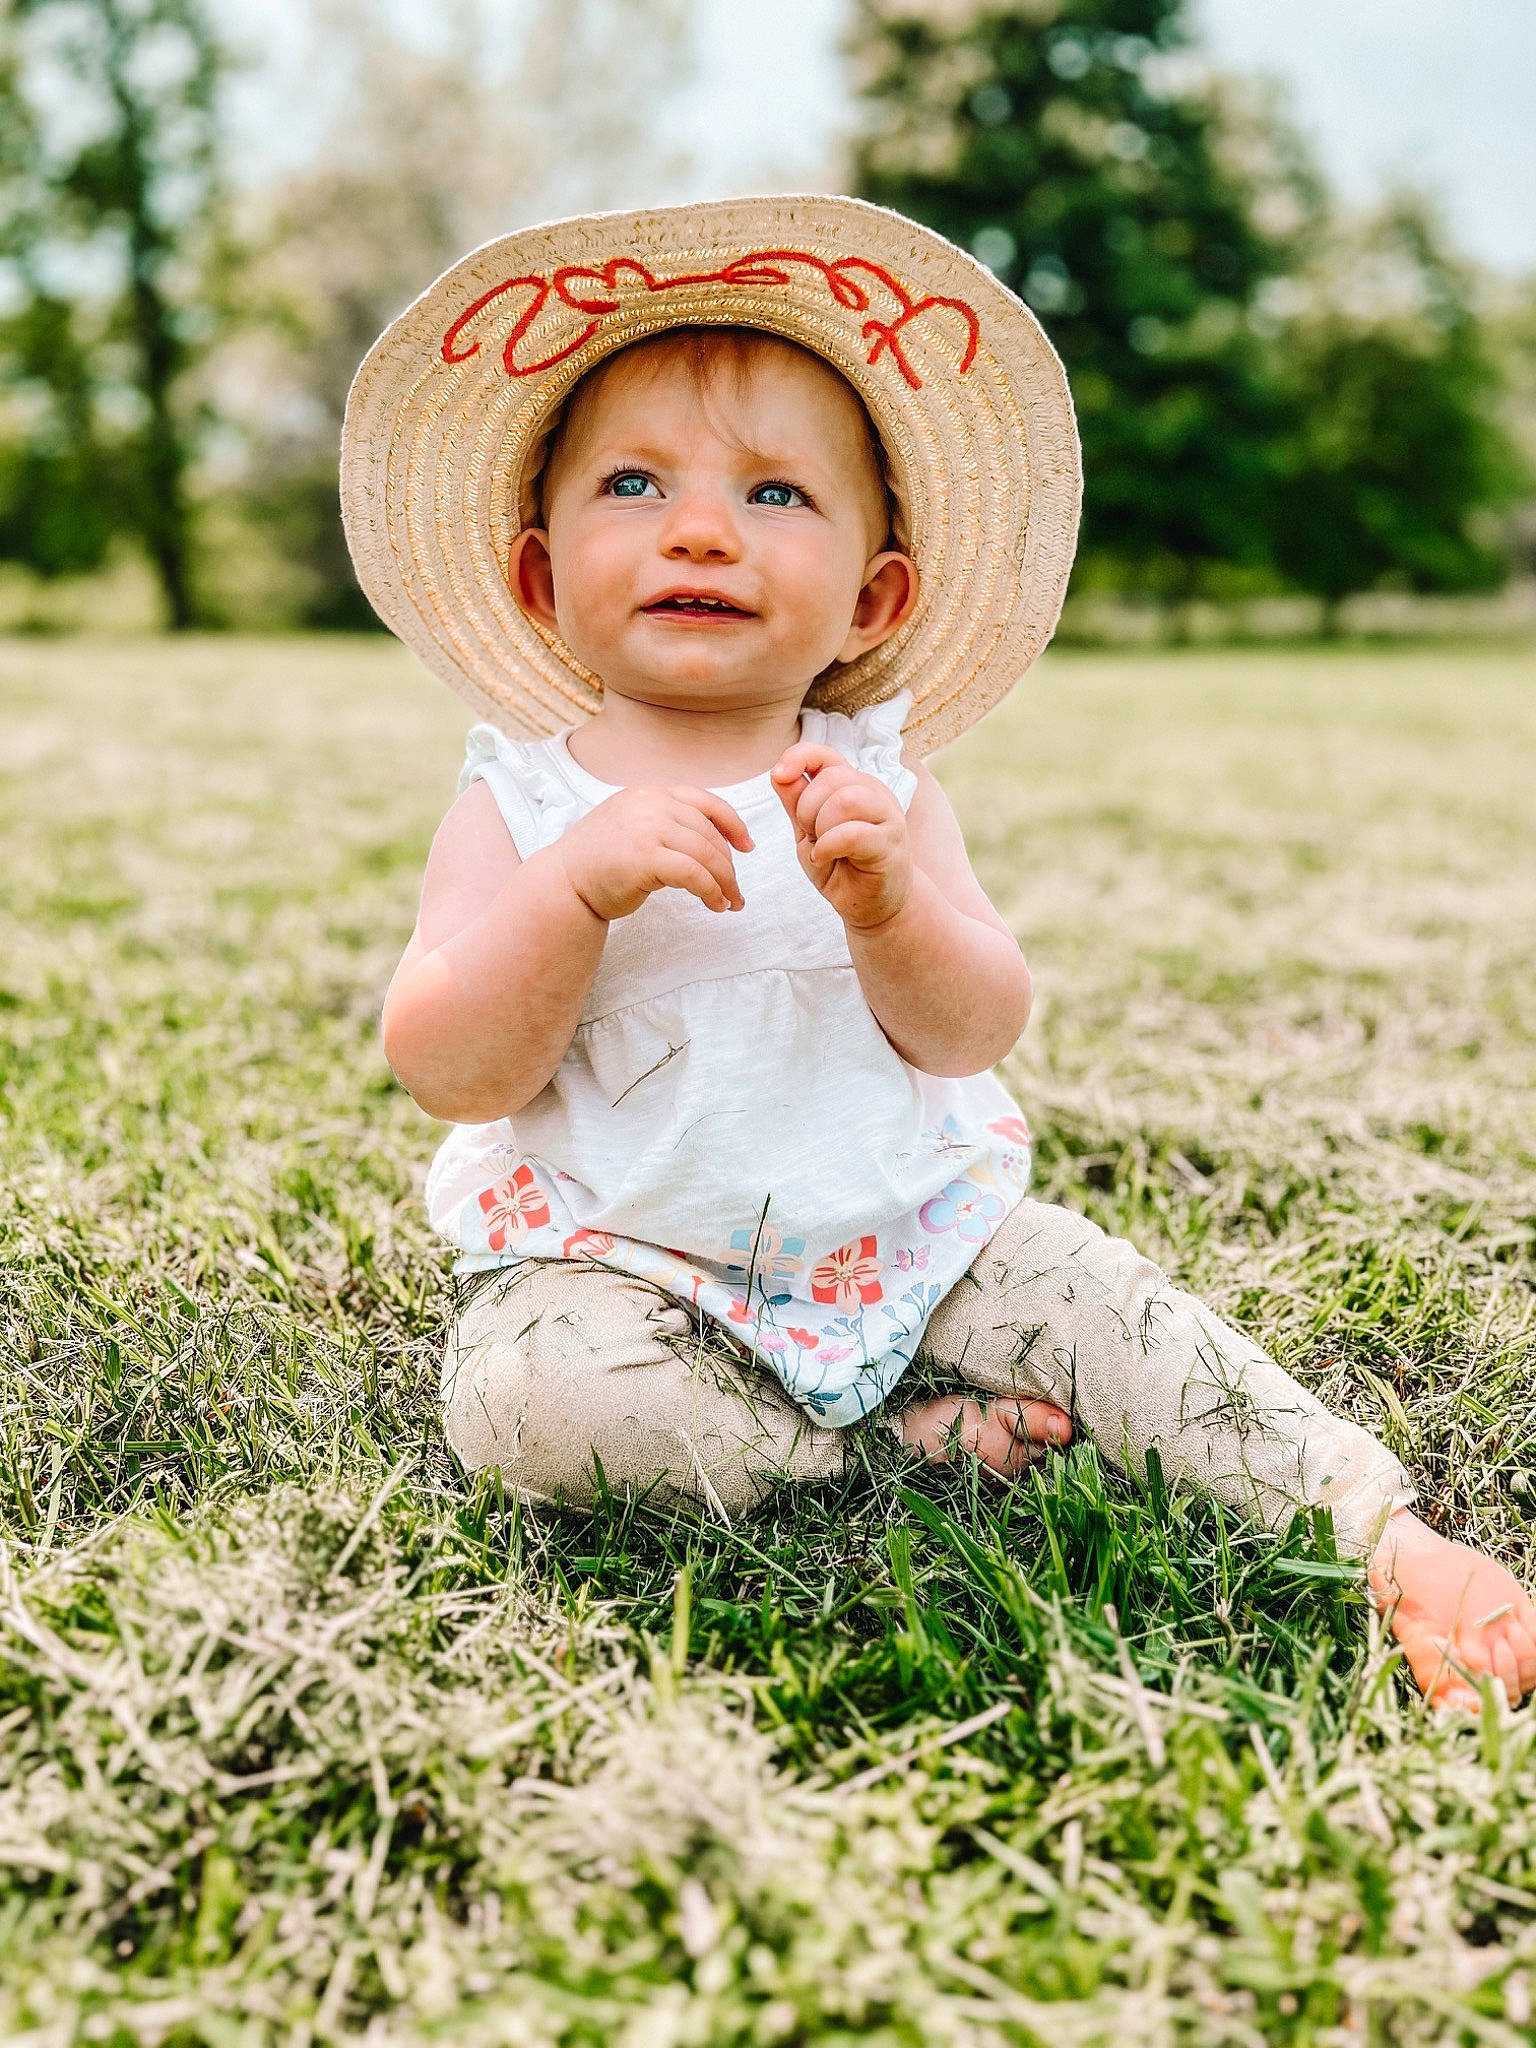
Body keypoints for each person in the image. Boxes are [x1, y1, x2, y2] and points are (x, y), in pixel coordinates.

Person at [342, 196, 1536, 1711]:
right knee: (529, 1404)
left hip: (908, 1233)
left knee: (1120, 1315)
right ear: (537, 575)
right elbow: (448, 1063)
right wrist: (569, 894)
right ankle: (865, 1461)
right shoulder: (521, 808)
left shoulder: (882, 793)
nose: (700, 527)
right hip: (624, 1263)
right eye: (633, 484)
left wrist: (893, 905)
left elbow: (971, 1029)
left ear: (874, 597)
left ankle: (1380, 1532)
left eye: (777, 495)